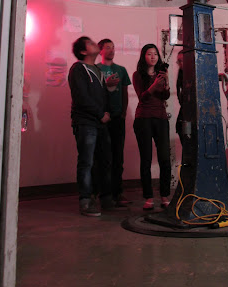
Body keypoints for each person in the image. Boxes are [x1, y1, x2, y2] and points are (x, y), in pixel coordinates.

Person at [68, 36, 113, 217]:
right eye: (91, 43)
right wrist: (100, 114)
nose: (96, 45)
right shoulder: (78, 69)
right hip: (86, 122)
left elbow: (100, 97)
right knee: (86, 161)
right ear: (83, 51)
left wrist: (107, 112)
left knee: (104, 160)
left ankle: (104, 198)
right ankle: (86, 201)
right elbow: (81, 97)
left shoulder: (98, 71)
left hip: (99, 122)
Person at [132, 44, 171, 210]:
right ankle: (148, 197)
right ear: (144, 56)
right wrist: (154, 85)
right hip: (144, 119)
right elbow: (143, 97)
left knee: (164, 159)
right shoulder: (137, 75)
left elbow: (165, 96)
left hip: (161, 118)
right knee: (146, 159)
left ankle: (164, 195)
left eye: (155, 54)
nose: (153, 57)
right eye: (149, 54)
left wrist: (166, 82)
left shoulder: (161, 75)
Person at [97, 38, 132, 207]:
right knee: (103, 157)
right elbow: (93, 93)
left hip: (118, 118)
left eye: (113, 47)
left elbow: (125, 93)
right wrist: (105, 84)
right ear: (100, 51)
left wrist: (124, 112)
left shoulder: (121, 70)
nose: (111, 50)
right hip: (101, 119)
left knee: (118, 157)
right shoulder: (95, 69)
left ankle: (118, 193)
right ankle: (103, 194)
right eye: (108, 48)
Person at [175, 51, 184, 146]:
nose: (180, 64)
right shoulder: (181, 74)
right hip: (185, 114)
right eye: (178, 61)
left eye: (182, 61)